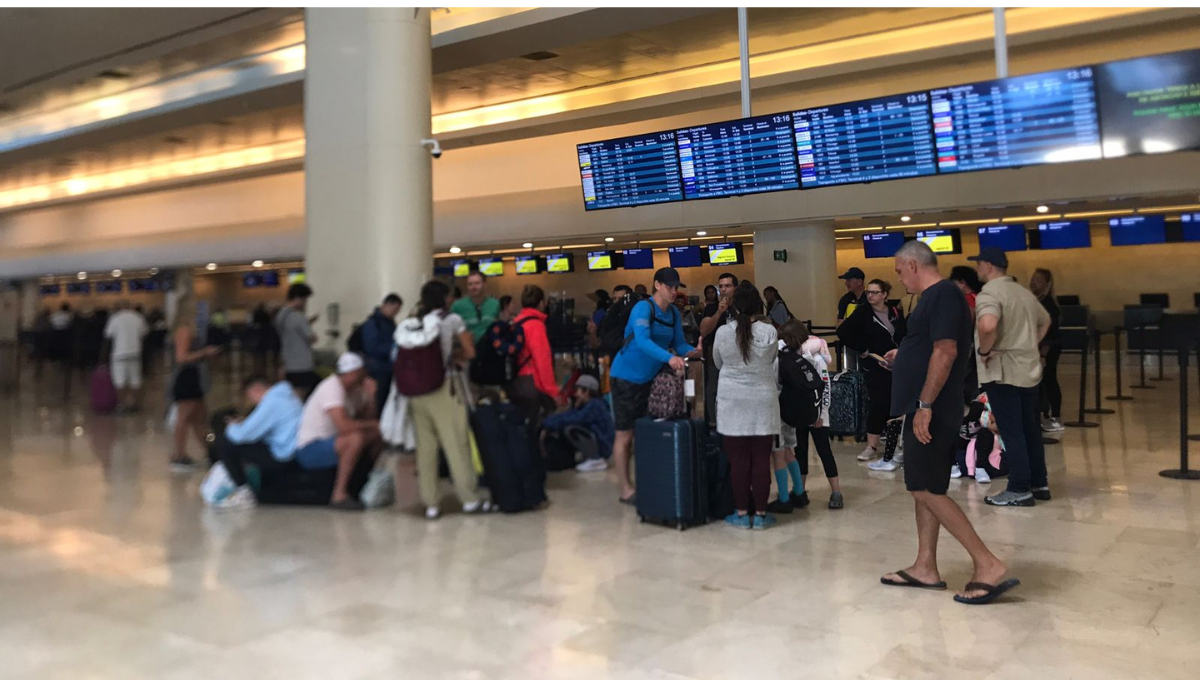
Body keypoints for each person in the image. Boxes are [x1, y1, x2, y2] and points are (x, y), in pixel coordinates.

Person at [880, 241, 1017, 605]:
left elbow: (946, 350)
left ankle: (987, 563)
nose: (898, 278)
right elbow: (934, 347)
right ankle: (926, 566)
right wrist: (906, 356)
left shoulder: (941, 295)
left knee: (926, 489)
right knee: (924, 485)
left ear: (912, 264)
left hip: (933, 408)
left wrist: (924, 403)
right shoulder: (938, 298)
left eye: (898, 270)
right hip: (929, 404)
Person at [395, 280, 489, 519]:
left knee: (426, 450)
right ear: (445, 298)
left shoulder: (414, 321)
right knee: (456, 443)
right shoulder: (451, 320)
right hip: (443, 388)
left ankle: (431, 504)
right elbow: (470, 352)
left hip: (415, 393)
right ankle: (469, 499)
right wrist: (454, 355)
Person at [969, 247, 1052, 507]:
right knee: (1029, 428)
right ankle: (1039, 483)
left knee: (1010, 430)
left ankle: (1019, 488)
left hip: (1003, 371)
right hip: (1028, 370)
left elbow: (988, 325)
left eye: (979, 263)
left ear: (989, 265)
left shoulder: (990, 293)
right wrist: (1029, 346)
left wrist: (984, 351)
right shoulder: (1022, 292)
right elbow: (1045, 320)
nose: (977, 268)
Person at [609, 267, 697, 504]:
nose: (674, 291)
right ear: (657, 285)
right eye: (669, 287)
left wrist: (694, 351)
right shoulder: (643, 308)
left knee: (646, 431)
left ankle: (646, 480)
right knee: (625, 434)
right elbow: (642, 340)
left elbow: (679, 343)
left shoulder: (674, 314)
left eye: (676, 287)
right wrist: (668, 358)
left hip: (650, 379)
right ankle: (625, 488)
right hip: (626, 377)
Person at [714, 281, 780, 529]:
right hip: (763, 400)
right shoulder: (770, 331)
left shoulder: (723, 333)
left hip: (732, 402)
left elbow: (718, 362)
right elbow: (772, 360)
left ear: (733, 306)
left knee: (738, 461)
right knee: (762, 460)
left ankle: (742, 514)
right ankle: (761, 514)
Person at [293, 352, 384, 511]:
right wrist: (373, 424)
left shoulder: (356, 390)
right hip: (311, 447)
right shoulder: (331, 387)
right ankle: (339, 495)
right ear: (354, 373)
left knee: (376, 436)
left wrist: (371, 398)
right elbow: (344, 426)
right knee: (355, 438)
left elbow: (367, 418)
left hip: (335, 442)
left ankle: (363, 482)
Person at [837, 279, 907, 468]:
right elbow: (843, 332)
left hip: (897, 365)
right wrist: (863, 349)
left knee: (898, 403)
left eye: (875, 292)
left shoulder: (895, 312)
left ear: (884, 294)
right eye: (869, 292)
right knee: (878, 403)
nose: (871, 296)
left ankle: (898, 444)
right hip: (875, 364)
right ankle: (872, 446)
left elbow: (904, 334)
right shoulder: (863, 313)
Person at [213, 375, 305, 510]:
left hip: (281, 454)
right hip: (290, 448)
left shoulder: (272, 402)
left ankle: (244, 492)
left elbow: (242, 435)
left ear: (256, 389)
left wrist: (232, 426)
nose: (253, 402)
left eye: (250, 396)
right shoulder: (289, 395)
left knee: (224, 442)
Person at [769, 320, 820, 513]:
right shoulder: (802, 358)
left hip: (778, 412)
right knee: (789, 451)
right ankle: (799, 491)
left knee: (778, 453)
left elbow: (774, 385)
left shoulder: (778, 359)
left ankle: (783, 498)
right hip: (793, 412)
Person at [169, 300, 220, 471]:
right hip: (187, 377)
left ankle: (210, 453)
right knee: (184, 418)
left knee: (199, 418)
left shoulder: (190, 330)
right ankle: (179, 455)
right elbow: (181, 357)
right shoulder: (184, 331)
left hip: (193, 377)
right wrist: (204, 353)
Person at [540, 374, 614, 473]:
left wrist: (548, 423)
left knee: (571, 429)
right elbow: (568, 415)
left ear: (586, 391)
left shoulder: (595, 406)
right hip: (601, 441)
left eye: (578, 390)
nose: (575, 394)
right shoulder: (587, 405)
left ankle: (596, 459)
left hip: (604, 444)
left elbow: (574, 419)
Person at [509, 285, 559, 425]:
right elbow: (542, 361)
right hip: (532, 384)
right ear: (542, 303)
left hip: (516, 382)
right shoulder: (536, 326)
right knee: (538, 428)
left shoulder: (516, 322)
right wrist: (552, 391)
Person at [699, 272, 739, 424]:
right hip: (716, 356)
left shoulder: (740, 308)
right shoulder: (711, 309)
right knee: (713, 389)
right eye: (720, 286)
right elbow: (704, 330)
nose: (723, 290)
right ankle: (713, 424)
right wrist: (719, 312)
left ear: (735, 288)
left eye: (727, 286)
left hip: (737, 356)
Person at [1031, 268, 1064, 433]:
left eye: (1038, 280)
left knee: (1049, 379)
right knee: (1041, 381)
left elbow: (1050, 331)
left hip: (1048, 347)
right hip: (1038, 347)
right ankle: (1043, 413)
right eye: (1033, 279)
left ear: (1046, 284)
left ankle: (1056, 416)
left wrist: (1043, 353)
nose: (1033, 282)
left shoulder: (1048, 304)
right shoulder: (1036, 301)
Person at [360, 293, 403, 416]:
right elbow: (371, 347)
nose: (396, 313)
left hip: (389, 368)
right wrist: (392, 348)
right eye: (395, 310)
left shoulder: (389, 322)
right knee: (379, 401)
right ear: (386, 305)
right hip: (377, 368)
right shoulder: (372, 323)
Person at [103, 300, 148, 412]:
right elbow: (144, 333)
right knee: (135, 380)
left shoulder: (115, 318)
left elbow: (108, 335)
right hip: (135, 353)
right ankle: (134, 403)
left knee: (119, 381)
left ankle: (122, 405)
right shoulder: (138, 317)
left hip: (119, 354)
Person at [276, 283, 319, 396]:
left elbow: (291, 331)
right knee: (303, 394)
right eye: (305, 300)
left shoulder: (281, 315)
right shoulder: (298, 317)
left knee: (293, 395)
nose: (305, 303)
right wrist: (307, 324)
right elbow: (312, 339)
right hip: (302, 363)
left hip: (288, 363)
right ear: (298, 298)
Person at [451, 271, 501, 343]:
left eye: (477, 283)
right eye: (470, 284)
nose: (473, 287)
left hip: (490, 349)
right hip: (467, 350)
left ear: (484, 285)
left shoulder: (495, 304)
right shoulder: (457, 306)